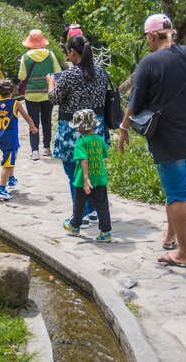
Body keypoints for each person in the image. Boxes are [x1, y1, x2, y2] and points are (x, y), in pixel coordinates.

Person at [118, 13, 186, 269]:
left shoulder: (149, 62)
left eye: (147, 37)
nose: (147, 41)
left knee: (177, 194)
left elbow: (134, 103)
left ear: (153, 36)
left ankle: (184, 253)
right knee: (177, 186)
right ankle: (170, 237)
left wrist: (124, 128)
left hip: (168, 136)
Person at [48, 34, 111, 228]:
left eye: (67, 53)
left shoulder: (70, 75)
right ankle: (92, 211)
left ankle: (81, 215)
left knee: (73, 173)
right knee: (93, 169)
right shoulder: (101, 72)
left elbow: (54, 98)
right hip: (96, 127)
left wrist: (51, 82)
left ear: (72, 52)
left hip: (72, 130)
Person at [63, 109, 113, 242]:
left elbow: (84, 160)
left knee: (79, 204)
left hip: (82, 180)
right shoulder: (99, 139)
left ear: (79, 128)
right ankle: (105, 232)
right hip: (100, 178)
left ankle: (75, 227)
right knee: (102, 206)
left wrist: (86, 179)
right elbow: (104, 155)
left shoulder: (81, 142)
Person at [0, 79, 37, 201]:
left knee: (11, 156)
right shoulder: (15, 103)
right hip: (9, 137)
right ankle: (1, 189)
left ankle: (11, 178)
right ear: (12, 91)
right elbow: (26, 116)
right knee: (7, 162)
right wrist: (32, 126)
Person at [18, 29, 60, 160]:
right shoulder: (50, 54)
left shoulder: (25, 57)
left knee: (33, 121)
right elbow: (58, 72)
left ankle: (35, 150)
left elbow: (22, 76)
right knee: (47, 121)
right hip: (47, 94)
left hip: (31, 95)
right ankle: (47, 148)